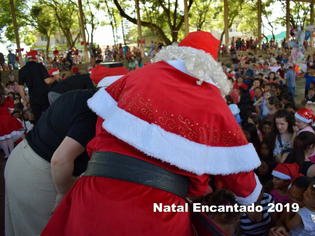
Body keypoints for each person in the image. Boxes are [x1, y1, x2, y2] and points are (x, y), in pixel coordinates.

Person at [42, 31, 262, 235]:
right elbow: (236, 167)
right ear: (212, 66)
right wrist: (250, 199)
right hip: (158, 209)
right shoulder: (213, 101)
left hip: (95, 190)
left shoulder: (136, 76)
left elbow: (102, 125)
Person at [4, 88, 98, 236]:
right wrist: (62, 194)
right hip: (38, 176)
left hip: (19, 159)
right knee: (51, 228)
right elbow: (60, 160)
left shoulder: (80, 95)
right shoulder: (93, 114)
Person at [18, 51, 54, 124]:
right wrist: (55, 79)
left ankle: (39, 134)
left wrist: (25, 99)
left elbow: (20, 88)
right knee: (49, 116)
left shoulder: (22, 70)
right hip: (44, 96)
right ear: (35, 57)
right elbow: (47, 81)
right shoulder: (39, 66)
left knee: (37, 118)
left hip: (33, 97)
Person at [0, 83, 22, 159]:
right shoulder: (7, 98)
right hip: (7, 118)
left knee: (2, 138)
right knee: (9, 137)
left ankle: (7, 154)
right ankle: (12, 153)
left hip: (0, 120)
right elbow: (12, 110)